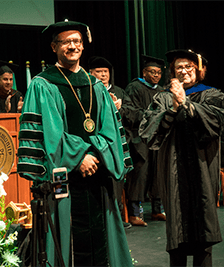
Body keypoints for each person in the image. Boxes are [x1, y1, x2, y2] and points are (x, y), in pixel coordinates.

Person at [17, 20, 133, 267]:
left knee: (99, 240)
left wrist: (96, 155)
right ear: (54, 47)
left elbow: (110, 129)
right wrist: (79, 156)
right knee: (66, 241)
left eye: (77, 41)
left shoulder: (95, 86)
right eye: (66, 42)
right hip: (64, 176)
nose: (72, 46)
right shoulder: (43, 84)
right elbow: (49, 131)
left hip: (97, 177)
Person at [139, 49, 224, 266]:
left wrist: (187, 105)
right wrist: (173, 108)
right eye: (179, 67)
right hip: (173, 169)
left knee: (203, 230)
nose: (184, 71)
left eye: (189, 67)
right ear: (172, 72)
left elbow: (217, 122)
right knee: (177, 234)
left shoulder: (212, 94)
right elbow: (148, 130)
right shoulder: (162, 97)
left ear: (198, 71)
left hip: (202, 168)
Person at [88, 56, 136, 229]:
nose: (102, 75)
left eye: (105, 72)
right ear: (90, 73)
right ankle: (102, 218)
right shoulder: (88, 91)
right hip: (96, 146)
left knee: (117, 182)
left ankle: (117, 218)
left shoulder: (121, 92)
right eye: (98, 72)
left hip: (117, 146)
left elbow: (134, 116)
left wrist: (120, 109)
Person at [125, 54, 166, 226]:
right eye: (152, 72)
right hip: (139, 137)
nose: (155, 75)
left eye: (158, 73)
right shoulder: (134, 87)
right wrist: (151, 118)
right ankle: (135, 213)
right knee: (140, 173)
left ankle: (157, 210)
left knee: (158, 172)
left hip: (157, 137)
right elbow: (129, 111)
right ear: (144, 72)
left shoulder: (162, 91)